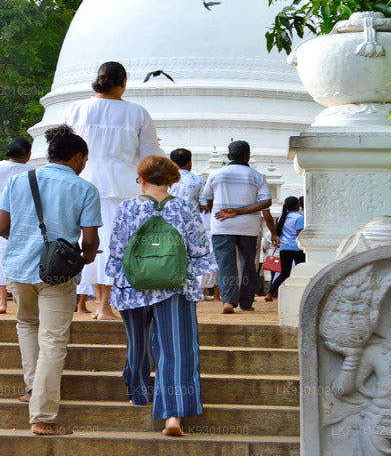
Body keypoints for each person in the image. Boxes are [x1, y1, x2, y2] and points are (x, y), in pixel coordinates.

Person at [0, 124, 101, 436]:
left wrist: (26, 239)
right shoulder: (84, 189)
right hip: (58, 272)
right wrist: (87, 256)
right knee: (54, 339)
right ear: (78, 157)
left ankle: (32, 388)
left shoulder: (19, 180)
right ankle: (41, 416)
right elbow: (91, 238)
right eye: (84, 160)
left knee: (27, 324)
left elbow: (2, 227)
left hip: (19, 268)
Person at [105, 155, 218, 437]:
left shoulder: (127, 207)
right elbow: (199, 250)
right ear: (173, 180)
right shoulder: (184, 208)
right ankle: (173, 416)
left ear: (141, 179)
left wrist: (116, 282)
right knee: (177, 350)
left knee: (138, 343)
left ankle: (139, 393)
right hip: (175, 285)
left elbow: (117, 249)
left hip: (133, 285)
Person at [62, 61, 163, 320]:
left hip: (82, 183)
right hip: (121, 187)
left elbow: (60, 147)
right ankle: (104, 304)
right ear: (124, 83)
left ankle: (100, 302)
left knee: (91, 242)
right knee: (114, 244)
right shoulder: (137, 113)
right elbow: (150, 155)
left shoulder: (76, 109)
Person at [200, 140, 272, 314]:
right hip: (248, 226)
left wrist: (220, 212)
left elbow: (207, 200)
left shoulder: (216, 174)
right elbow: (266, 202)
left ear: (228, 156)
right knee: (248, 263)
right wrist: (239, 212)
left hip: (222, 225)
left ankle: (228, 301)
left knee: (225, 264)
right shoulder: (256, 176)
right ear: (248, 156)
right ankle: (246, 302)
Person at [0, 138, 35, 315]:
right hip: (24, 216)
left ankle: (2, 303)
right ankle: (20, 301)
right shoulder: (34, 171)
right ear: (28, 154)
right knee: (22, 260)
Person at [169, 148, 215, 297]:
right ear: (190, 162)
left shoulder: (165, 181)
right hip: (191, 224)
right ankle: (192, 289)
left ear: (171, 162)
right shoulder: (199, 181)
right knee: (191, 258)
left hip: (168, 224)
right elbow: (204, 206)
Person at [266, 196, 304, 301]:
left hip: (284, 248)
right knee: (301, 270)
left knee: (284, 273)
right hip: (297, 248)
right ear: (297, 206)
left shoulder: (281, 217)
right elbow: (299, 234)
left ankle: (270, 292)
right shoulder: (299, 218)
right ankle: (301, 292)